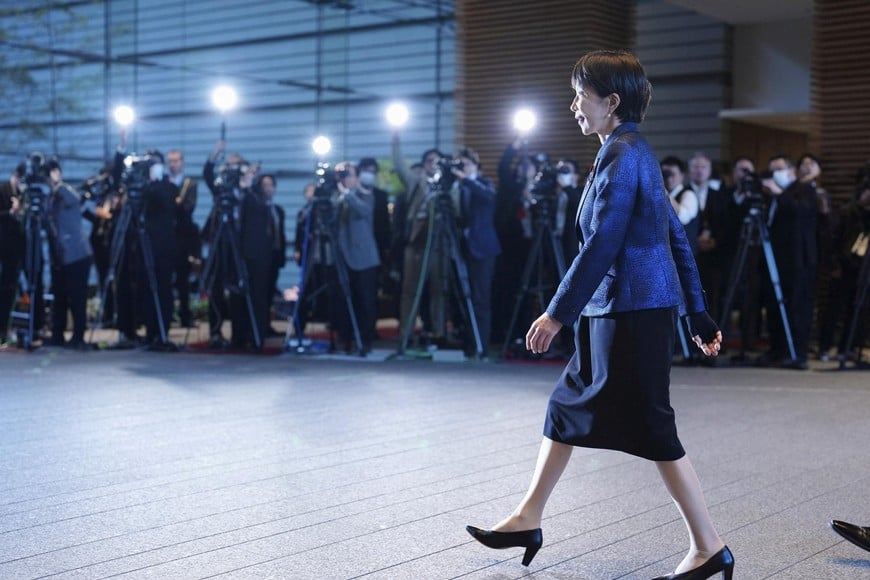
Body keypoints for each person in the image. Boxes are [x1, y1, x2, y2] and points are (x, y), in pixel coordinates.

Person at [465, 51, 733, 579]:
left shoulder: (624, 154)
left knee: (653, 427)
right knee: (566, 407)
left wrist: (555, 313)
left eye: (580, 97)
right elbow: (673, 235)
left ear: (611, 102)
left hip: (631, 311)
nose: (573, 107)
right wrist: (697, 313)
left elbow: (603, 244)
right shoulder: (628, 150)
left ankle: (709, 547)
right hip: (619, 308)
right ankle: (528, 516)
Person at [45, 158, 94, 350]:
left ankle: (78, 335)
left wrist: (59, 183)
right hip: (60, 256)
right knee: (60, 296)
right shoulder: (51, 198)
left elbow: (75, 199)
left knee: (77, 296)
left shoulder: (66, 192)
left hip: (77, 253)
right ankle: (58, 334)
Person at [334, 162, 380, 353]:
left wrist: (347, 193)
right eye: (343, 175)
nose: (346, 178)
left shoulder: (364, 194)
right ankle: (345, 337)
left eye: (350, 175)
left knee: (365, 300)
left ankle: (366, 338)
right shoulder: (336, 197)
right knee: (345, 300)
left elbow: (364, 211)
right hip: (342, 257)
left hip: (364, 258)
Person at [167, 149, 199, 328]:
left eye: (176, 161)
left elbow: (188, 209)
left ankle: (185, 315)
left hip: (183, 237)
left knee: (183, 279)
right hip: (167, 236)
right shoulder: (164, 183)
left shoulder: (189, 184)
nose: (173, 165)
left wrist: (176, 205)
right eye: (170, 161)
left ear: (182, 162)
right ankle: (168, 313)